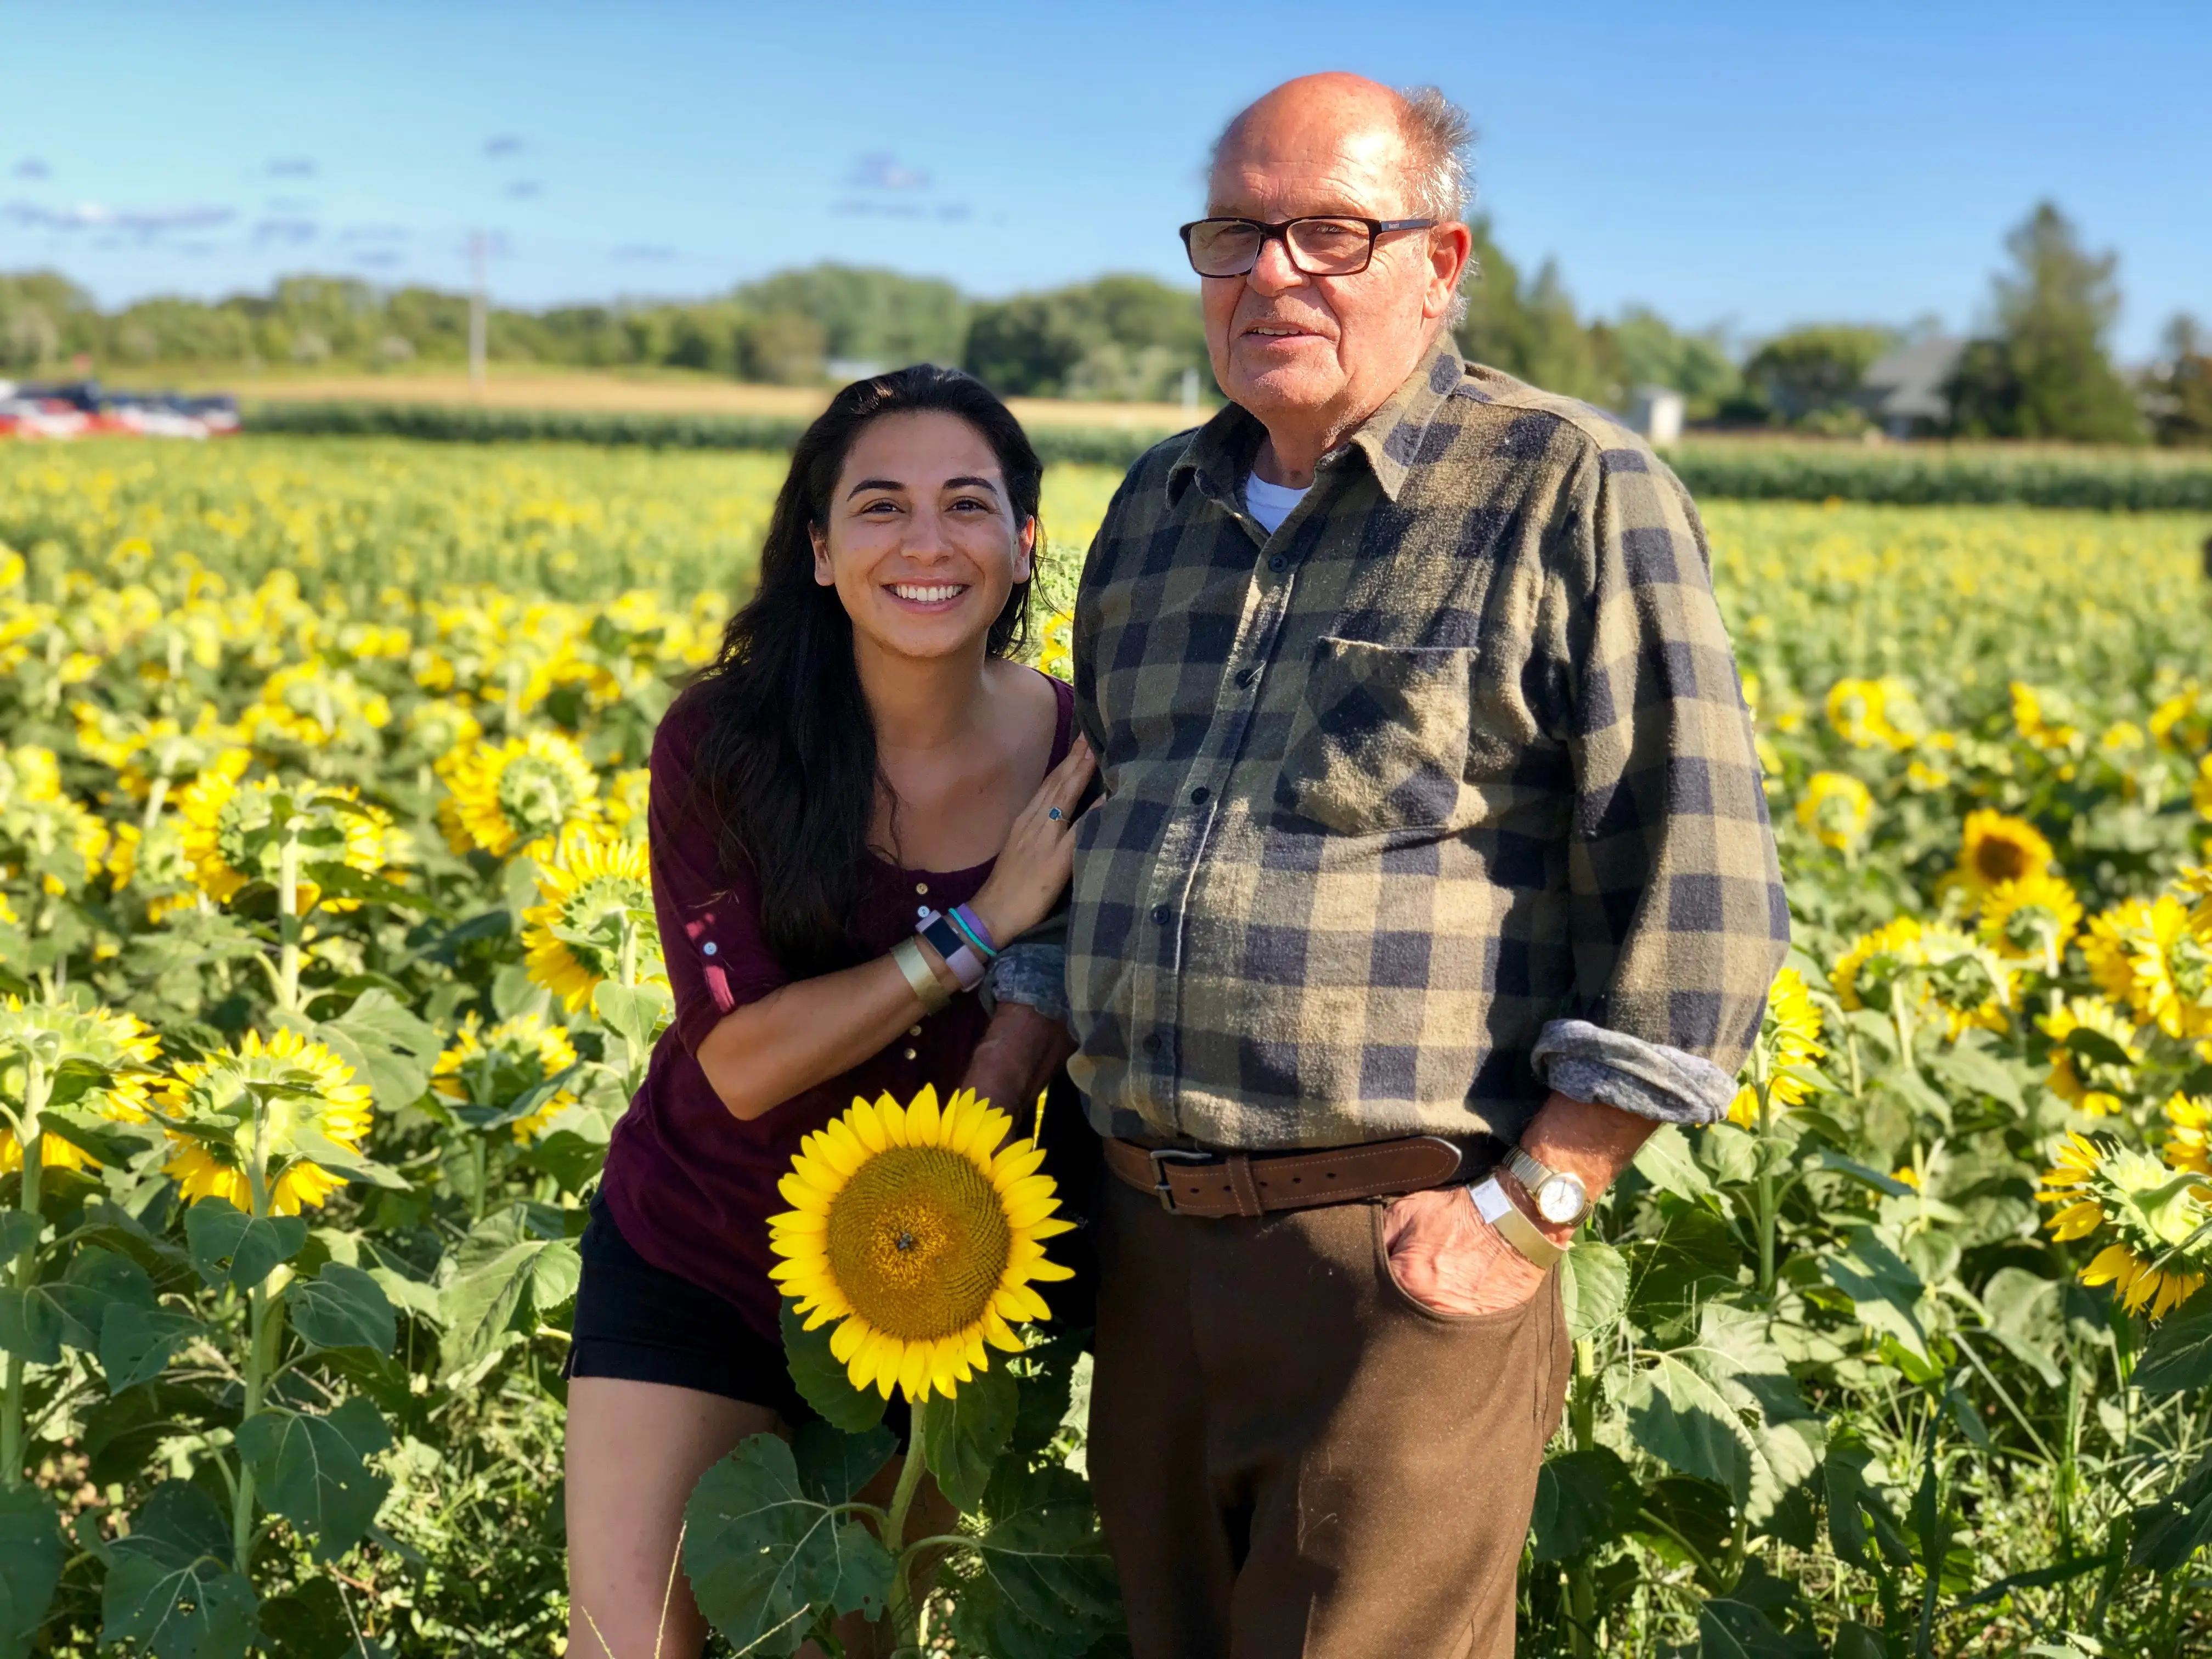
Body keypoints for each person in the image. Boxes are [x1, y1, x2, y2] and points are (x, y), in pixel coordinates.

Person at [966, 74, 1790, 1657]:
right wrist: (980, 1122)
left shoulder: (1567, 486)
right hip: (1140, 1249)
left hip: (1398, 1254)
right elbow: (1104, 847)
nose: (1274, 272)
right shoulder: (1154, 512)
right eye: (1236, 234)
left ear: (1440, 258)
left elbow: (1698, 883)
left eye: (1331, 231)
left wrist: (1538, 1201)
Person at [563, 366, 1096, 1659]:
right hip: (701, 1246)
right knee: (629, 1649)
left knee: (852, 1647)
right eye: (879, 507)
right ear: (817, 548)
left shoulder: (1086, 748)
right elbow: (741, 1064)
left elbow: (1081, 994)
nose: (926, 543)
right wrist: (976, 931)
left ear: (1024, 548)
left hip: (939, 1279)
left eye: (968, 505)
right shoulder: (724, 743)